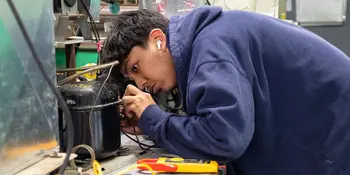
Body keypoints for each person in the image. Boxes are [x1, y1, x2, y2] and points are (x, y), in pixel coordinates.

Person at [102, 6, 350, 175]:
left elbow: (224, 138)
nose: (141, 83)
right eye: (131, 76)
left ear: (158, 39)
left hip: (338, 142)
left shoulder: (211, 48)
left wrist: (155, 120)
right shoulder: (208, 37)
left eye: (136, 67)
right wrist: (151, 125)